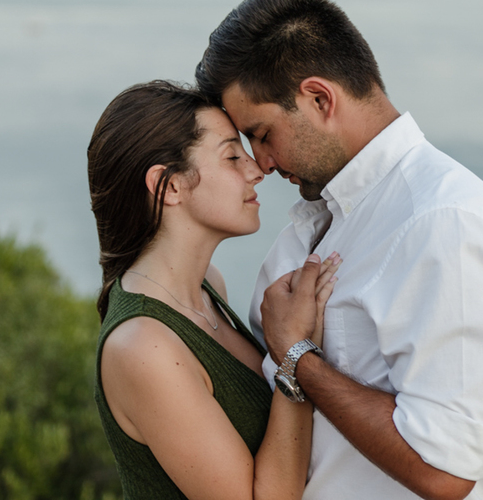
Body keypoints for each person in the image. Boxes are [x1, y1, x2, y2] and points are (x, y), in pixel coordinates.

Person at [195, 0, 483, 500]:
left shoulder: (443, 221)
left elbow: (442, 469)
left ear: (319, 98)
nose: (260, 162)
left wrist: (299, 358)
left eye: (262, 134)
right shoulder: (309, 224)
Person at [87, 80, 339, 500]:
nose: (256, 170)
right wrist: (295, 354)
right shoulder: (143, 349)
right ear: (169, 186)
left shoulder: (209, 287)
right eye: (231, 156)